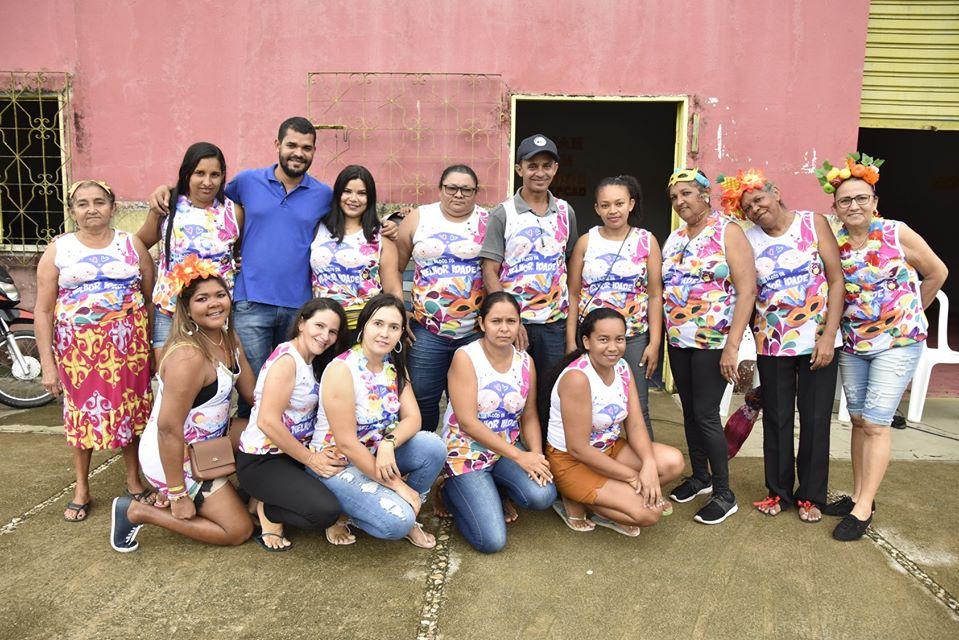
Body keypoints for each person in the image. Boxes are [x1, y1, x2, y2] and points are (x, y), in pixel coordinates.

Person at [815, 152, 947, 541]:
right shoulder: (834, 239)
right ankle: (860, 496)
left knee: (875, 422)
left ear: (874, 201)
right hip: (855, 342)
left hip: (898, 342)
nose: (853, 206)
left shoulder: (895, 232)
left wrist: (910, 312)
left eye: (861, 198)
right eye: (845, 201)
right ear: (835, 207)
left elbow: (937, 271)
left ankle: (862, 509)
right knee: (857, 420)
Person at [718, 169, 843, 523]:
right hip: (772, 343)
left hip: (817, 340)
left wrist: (829, 335)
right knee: (776, 418)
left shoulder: (812, 223)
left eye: (759, 199)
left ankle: (811, 496)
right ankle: (778, 492)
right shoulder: (748, 239)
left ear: (775, 193)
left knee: (817, 418)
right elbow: (747, 289)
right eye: (747, 207)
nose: (755, 209)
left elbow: (836, 280)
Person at [109, 262, 257, 552]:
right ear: (187, 309)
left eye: (220, 295)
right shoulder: (188, 357)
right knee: (239, 530)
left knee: (263, 433)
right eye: (202, 299)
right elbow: (167, 429)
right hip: (174, 456)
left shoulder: (228, 338)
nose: (215, 304)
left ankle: (240, 491)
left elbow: (252, 396)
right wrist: (177, 494)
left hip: (207, 444)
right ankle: (137, 511)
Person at [35, 180, 156, 522]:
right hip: (77, 355)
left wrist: (148, 348)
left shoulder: (131, 245)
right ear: (72, 211)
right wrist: (48, 365)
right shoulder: (59, 250)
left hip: (128, 353)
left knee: (131, 414)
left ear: (112, 206)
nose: (92, 209)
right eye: (83, 203)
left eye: (99, 202)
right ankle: (81, 488)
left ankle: (134, 480)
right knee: (81, 417)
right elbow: (43, 311)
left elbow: (149, 299)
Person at [309, 294, 446, 549]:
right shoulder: (342, 369)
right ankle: (350, 512)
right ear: (363, 326)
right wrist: (396, 485)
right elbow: (347, 443)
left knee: (433, 446)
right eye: (378, 324)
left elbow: (414, 418)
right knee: (397, 523)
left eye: (394, 327)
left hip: (376, 455)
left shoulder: (393, 365)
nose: (385, 333)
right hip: (338, 464)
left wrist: (388, 443)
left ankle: (404, 508)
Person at [662, 168, 756, 525]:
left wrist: (732, 347)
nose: (680, 202)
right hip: (679, 339)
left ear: (705, 195)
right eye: (674, 197)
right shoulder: (675, 238)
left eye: (686, 193)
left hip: (713, 342)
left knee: (705, 414)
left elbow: (747, 290)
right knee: (688, 411)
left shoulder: (727, 231)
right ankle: (700, 477)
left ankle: (723, 492)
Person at [546, 308, 684, 536]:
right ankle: (574, 499)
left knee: (673, 462)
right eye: (603, 339)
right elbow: (577, 449)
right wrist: (631, 476)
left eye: (619, 339)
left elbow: (636, 424)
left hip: (609, 449)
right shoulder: (577, 379)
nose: (613, 347)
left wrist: (648, 464)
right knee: (648, 513)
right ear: (586, 341)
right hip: (572, 461)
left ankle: (612, 495)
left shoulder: (621, 367)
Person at [438, 292, 556, 553]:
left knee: (543, 494)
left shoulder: (526, 361)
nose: (504, 329)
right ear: (482, 324)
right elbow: (467, 422)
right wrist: (520, 456)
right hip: (466, 452)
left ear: (519, 324)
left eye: (511, 321)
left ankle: (496, 489)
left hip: (504, 451)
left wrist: (535, 455)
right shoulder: (465, 357)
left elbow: (529, 415)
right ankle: (449, 490)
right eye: (496, 321)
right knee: (491, 541)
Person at [480, 134, 579, 435]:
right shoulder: (502, 213)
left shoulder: (566, 212)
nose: (540, 172)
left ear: (555, 168)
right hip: (514, 325)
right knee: (510, 392)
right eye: (532, 165)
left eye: (546, 165)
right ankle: (511, 455)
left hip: (554, 323)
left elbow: (571, 263)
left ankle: (549, 459)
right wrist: (511, 319)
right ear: (519, 169)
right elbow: (489, 270)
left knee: (551, 394)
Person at [235, 298, 350, 551]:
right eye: (319, 326)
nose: (325, 336)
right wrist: (311, 459)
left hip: (291, 456)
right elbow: (267, 421)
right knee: (325, 512)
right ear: (301, 323)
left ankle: (265, 498)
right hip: (263, 460)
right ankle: (270, 510)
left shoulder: (313, 361)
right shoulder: (287, 361)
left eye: (332, 331)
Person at [392, 164, 488, 431]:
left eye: (466, 190)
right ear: (440, 189)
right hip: (425, 330)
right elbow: (396, 266)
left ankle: (461, 463)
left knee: (472, 402)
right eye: (452, 188)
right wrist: (402, 309)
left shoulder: (487, 221)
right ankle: (427, 459)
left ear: (475, 192)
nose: (459, 195)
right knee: (422, 399)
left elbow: (494, 270)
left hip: (473, 332)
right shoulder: (420, 218)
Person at [566, 175, 662, 438]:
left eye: (619, 203)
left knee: (637, 407)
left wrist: (653, 343)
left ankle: (648, 470)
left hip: (632, 338)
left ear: (631, 204)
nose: (613, 211)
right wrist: (571, 341)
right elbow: (572, 294)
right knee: (589, 403)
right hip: (591, 338)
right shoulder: (587, 242)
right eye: (605, 205)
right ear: (597, 208)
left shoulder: (646, 241)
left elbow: (655, 295)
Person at [135, 142, 241, 359]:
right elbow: (138, 244)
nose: (207, 182)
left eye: (215, 174)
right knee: (170, 376)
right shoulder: (167, 205)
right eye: (199, 173)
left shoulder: (233, 212)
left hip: (216, 311)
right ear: (186, 174)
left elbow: (239, 251)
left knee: (215, 377)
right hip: (170, 310)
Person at [310, 165, 401, 335]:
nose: (353, 198)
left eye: (362, 193)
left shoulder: (381, 236)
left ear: (370, 198)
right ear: (338, 194)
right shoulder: (317, 228)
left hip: (365, 328)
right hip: (322, 328)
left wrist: (399, 325)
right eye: (347, 191)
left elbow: (393, 290)